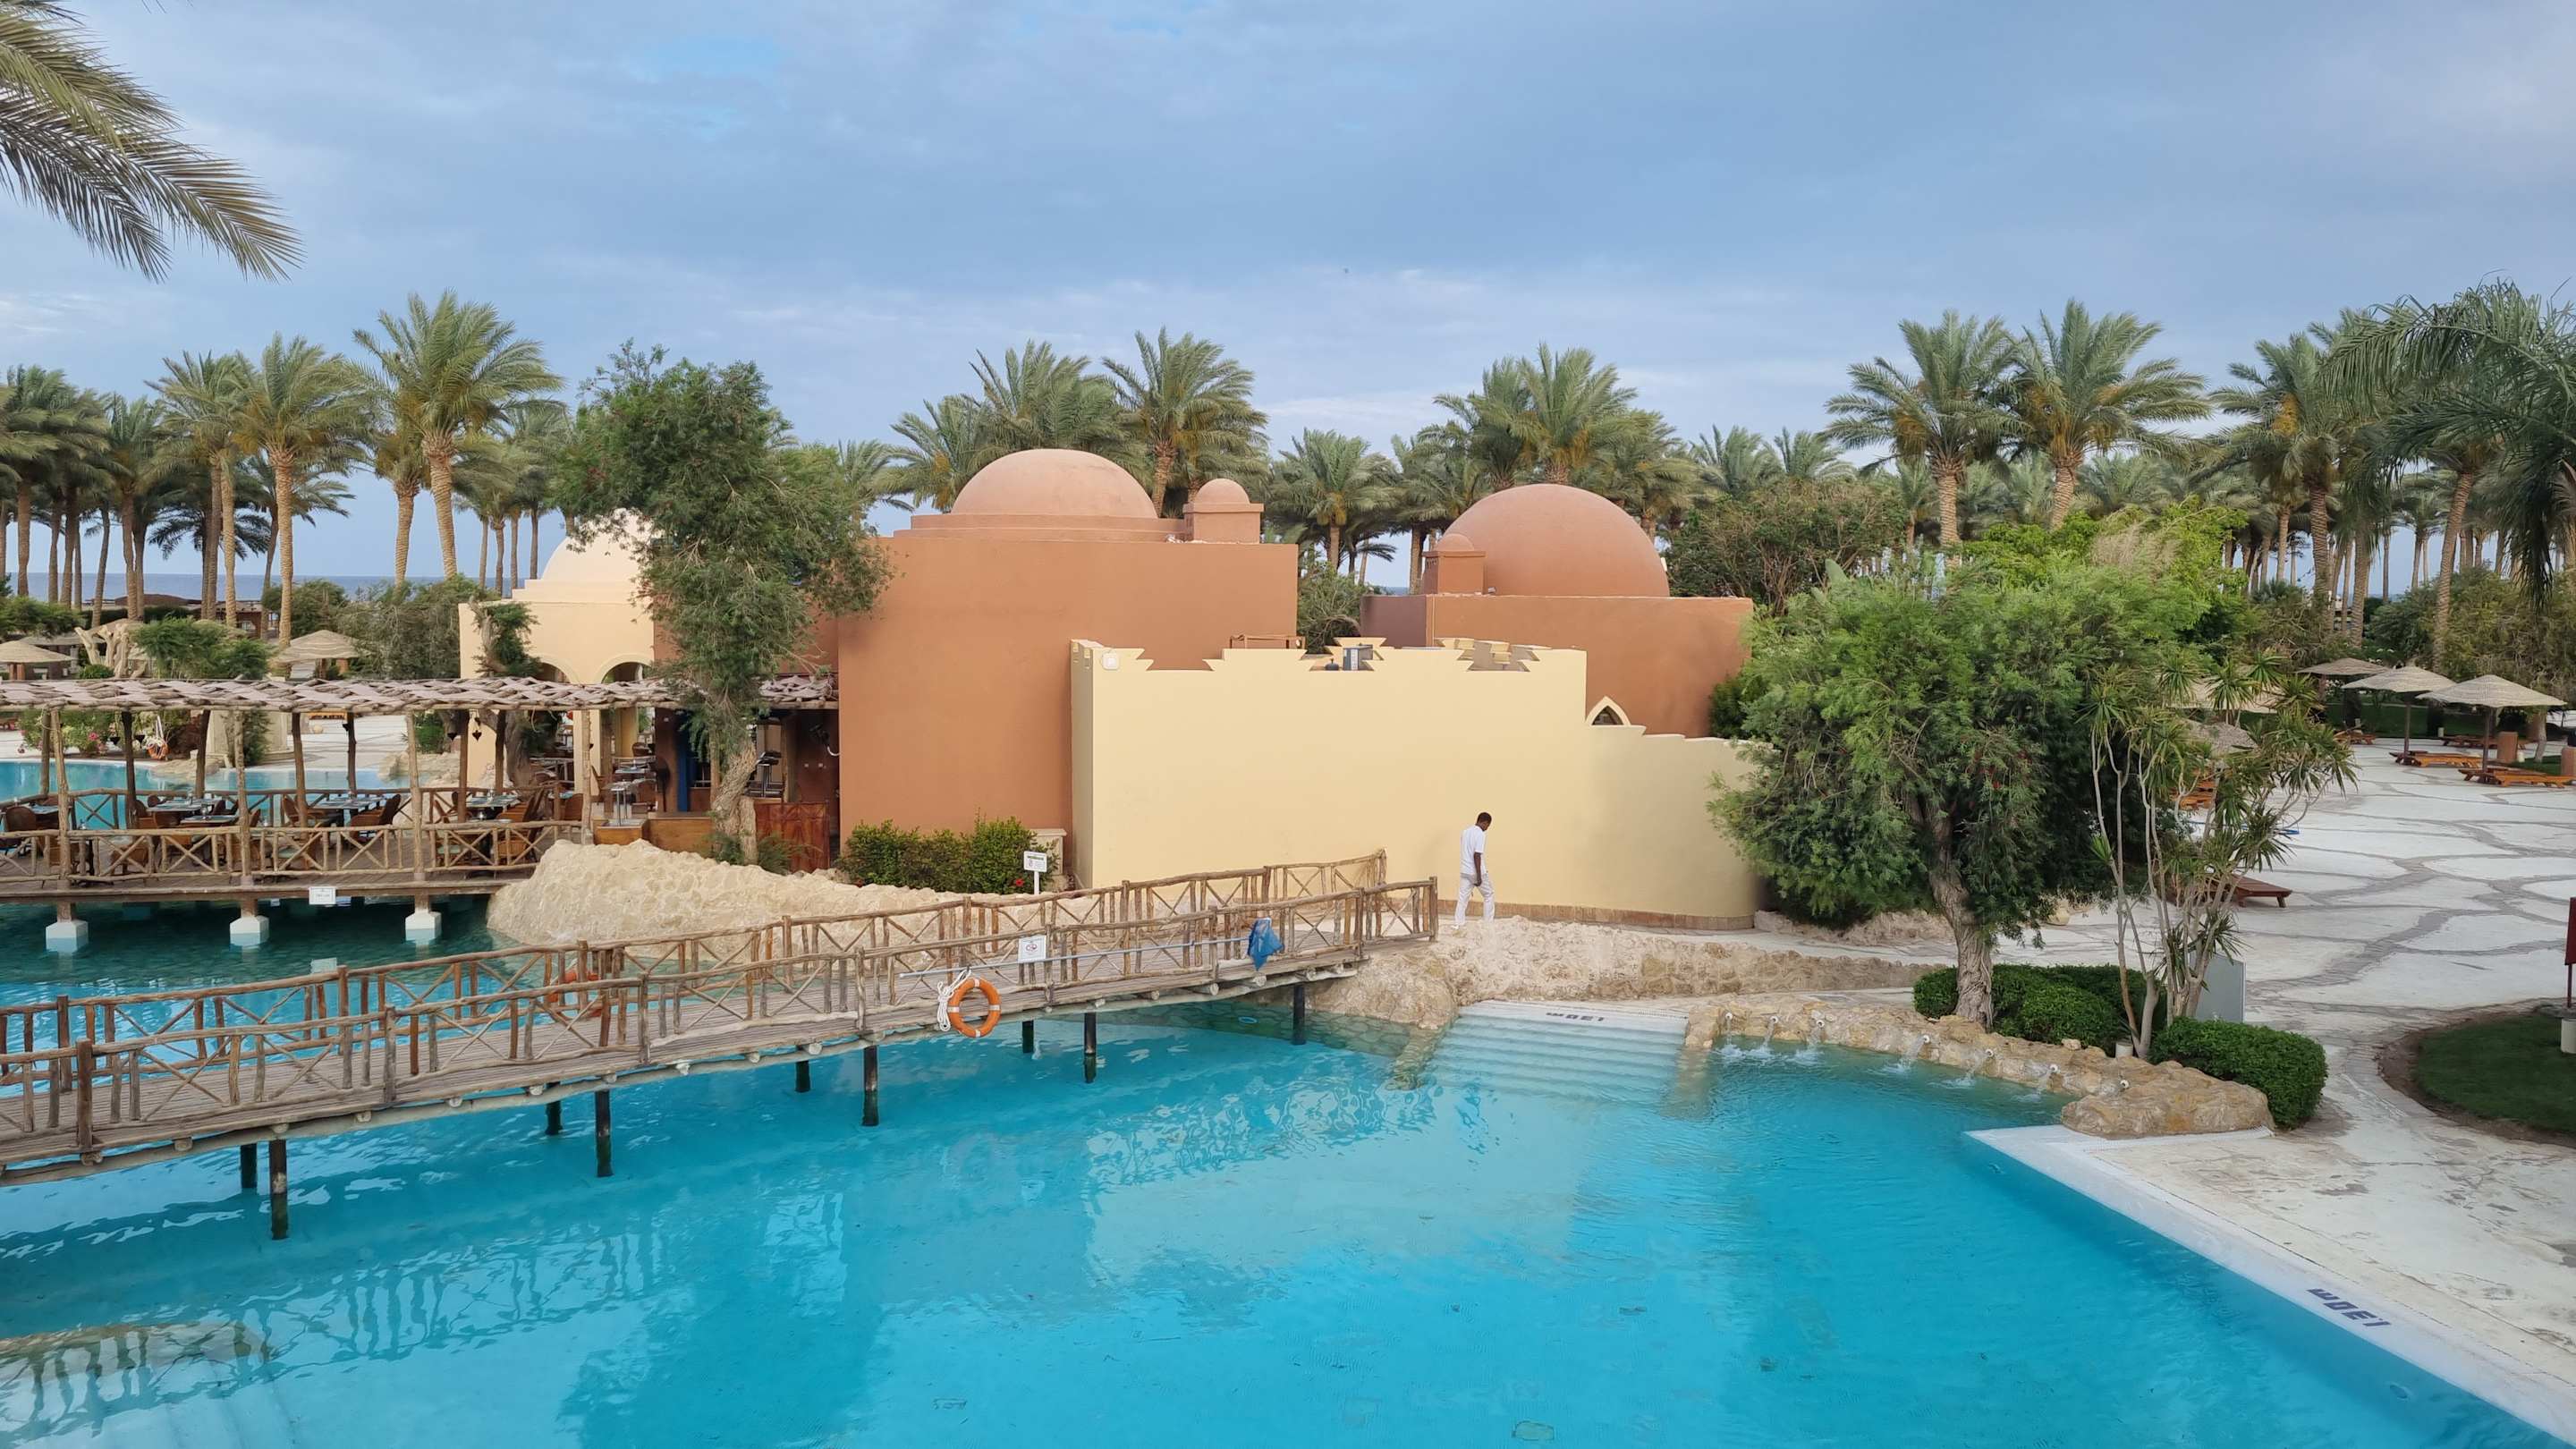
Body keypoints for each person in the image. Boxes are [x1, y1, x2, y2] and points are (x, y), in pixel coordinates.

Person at [1455, 810, 1495, 923]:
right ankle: (1488, 923)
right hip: (1476, 871)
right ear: (1485, 822)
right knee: (1489, 894)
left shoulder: (1465, 832)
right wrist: (1479, 876)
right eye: (1488, 825)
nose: (1487, 828)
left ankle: (1459, 924)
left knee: (1462, 899)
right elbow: (1477, 855)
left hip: (1465, 871)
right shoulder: (1480, 834)